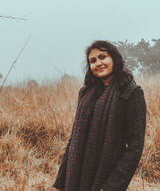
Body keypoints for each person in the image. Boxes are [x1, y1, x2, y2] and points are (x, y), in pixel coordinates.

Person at [53, 40, 146, 191]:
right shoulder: (85, 93)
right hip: (76, 175)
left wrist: (110, 186)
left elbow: (135, 147)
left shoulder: (131, 93)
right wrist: (61, 182)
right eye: (93, 61)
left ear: (114, 59)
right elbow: (74, 139)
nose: (98, 63)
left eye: (103, 57)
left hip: (107, 177)